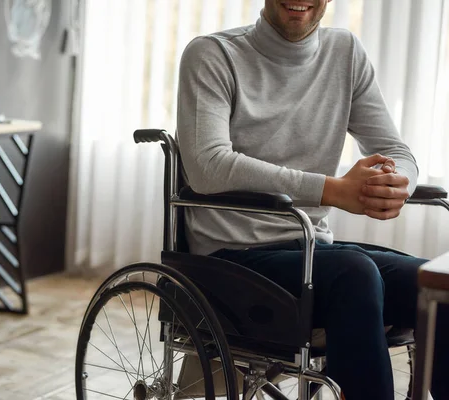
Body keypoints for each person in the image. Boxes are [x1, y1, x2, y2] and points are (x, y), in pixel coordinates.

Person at [175, 0, 448, 399]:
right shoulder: (212, 54)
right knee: (354, 274)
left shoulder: (345, 52)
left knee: (434, 287)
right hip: (230, 256)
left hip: (309, 249)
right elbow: (207, 166)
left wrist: (396, 181)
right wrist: (332, 189)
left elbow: (393, 148)